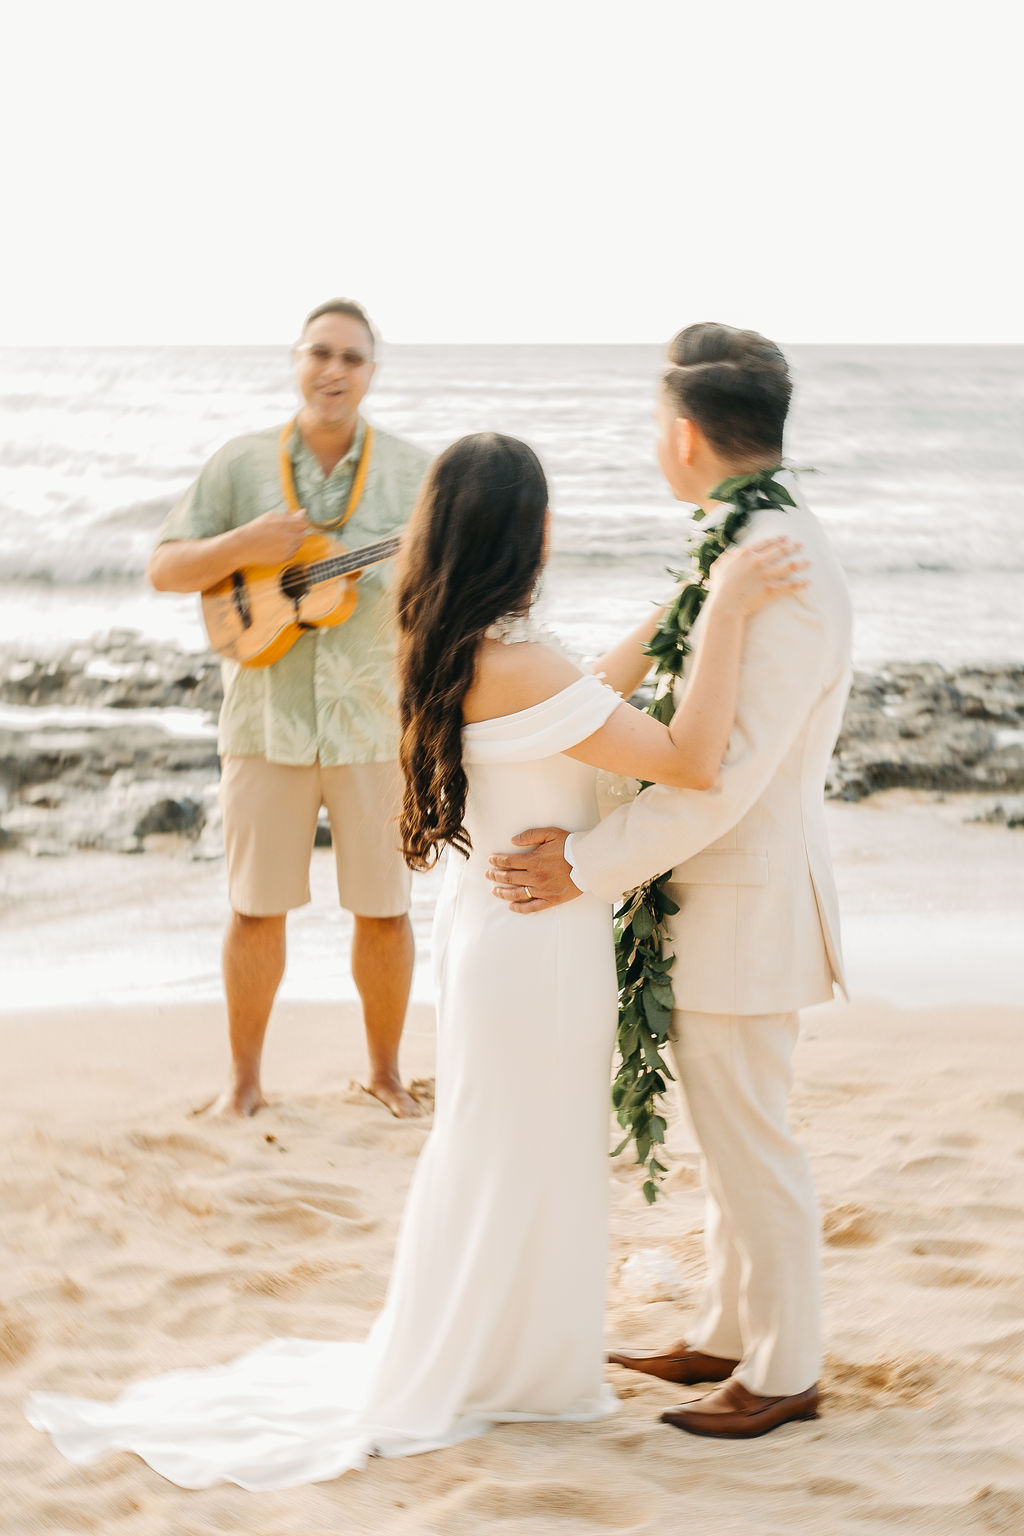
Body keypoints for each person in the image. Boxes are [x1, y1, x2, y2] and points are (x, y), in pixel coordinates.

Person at [26, 432, 804, 1488]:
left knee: (504, 1150)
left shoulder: (458, 644)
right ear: (522, 533)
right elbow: (689, 758)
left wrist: (675, 612)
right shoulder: (517, 663)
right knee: (524, 1151)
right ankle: (515, 1370)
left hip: (498, 938)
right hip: (535, 948)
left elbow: (585, 696)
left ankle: (511, 1360)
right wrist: (727, 615)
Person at [487, 324, 853, 1439]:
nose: (657, 443)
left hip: (746, 905)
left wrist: (586, 870)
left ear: (685, 436)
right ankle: (731, 1334)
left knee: (754, 1142)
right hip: (718, 904)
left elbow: (724, 778)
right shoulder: (747, 542)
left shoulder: (774, 563)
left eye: (656, 426)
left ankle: (786, 1370)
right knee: (730, 1133)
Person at [147, 298, 430, 1119]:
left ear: (373, 373)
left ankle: (385, 1073)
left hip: (375, 722)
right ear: (297, 361)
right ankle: (243, 1085)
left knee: (385, 908)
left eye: (352, 358)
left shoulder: (416, 473)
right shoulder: (240, 465)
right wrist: (242, 548)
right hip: (264, 722)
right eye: (321, 353)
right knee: (253, 906)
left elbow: (453, 580)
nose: (334, 370)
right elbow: (165, 566)